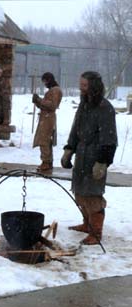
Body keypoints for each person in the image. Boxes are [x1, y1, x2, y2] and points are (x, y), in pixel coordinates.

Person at [61, 71, 117, 245]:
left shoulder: (105, 108)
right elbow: (75, 128)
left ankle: (96, 232)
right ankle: (87, 224)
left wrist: (102, 161)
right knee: (80, 192)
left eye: (84, 85)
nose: (81, 88)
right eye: (81, 85)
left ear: (93, 87)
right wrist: (69, 149)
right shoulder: (84, 104)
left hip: (95, 156)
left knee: (93, 195)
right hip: (81, 155)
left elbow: (109, 138)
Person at [32, 72, 63, 173]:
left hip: (48, 118)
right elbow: (45, 106)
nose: (44, 84)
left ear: (49, 80)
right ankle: (47, 161)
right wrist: (37, 101)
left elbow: (52, 105)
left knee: (44, 140)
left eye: (45, 81)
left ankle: (46, 162)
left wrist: (40, 100)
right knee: (45, 140)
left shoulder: (56, 90)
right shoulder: (52, 90)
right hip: (45, 117)